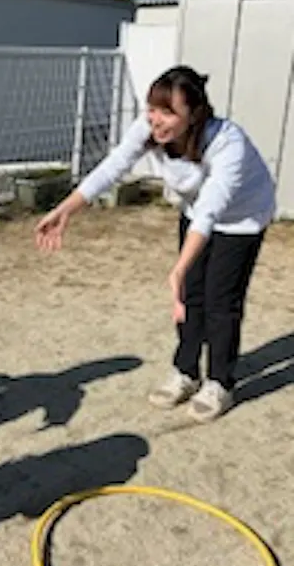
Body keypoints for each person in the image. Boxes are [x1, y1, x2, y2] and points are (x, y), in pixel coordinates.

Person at [35, 65, 276, 422]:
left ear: (193, 114)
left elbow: (212, 211)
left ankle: (221, 382)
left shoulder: (227, 143)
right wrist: (66, 209)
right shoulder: (149, 130)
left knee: (220, 301)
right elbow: (113, 166)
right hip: (196, 213)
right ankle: (186, 371)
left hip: (242, 218)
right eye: (152, 109)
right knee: (190, 295)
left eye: (168, 112)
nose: (156, 120)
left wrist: (178, 268)